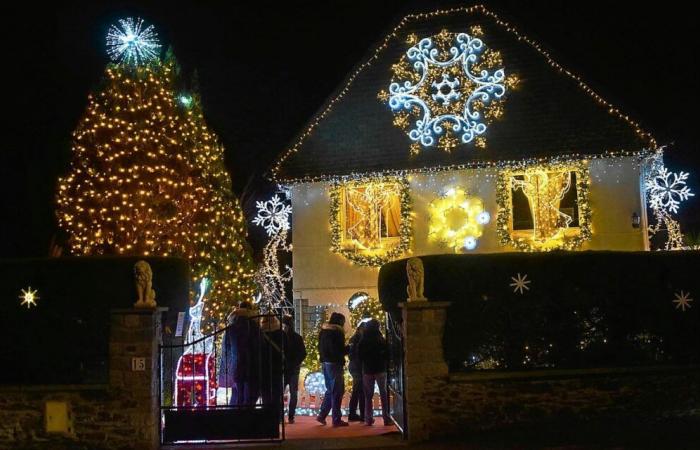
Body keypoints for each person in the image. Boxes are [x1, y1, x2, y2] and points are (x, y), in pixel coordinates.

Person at [218, 301, 259, 406]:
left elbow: (226, 349)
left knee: (238, 393)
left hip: (236, 364)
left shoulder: (231, 328)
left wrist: (227, 366)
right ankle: (247, 415)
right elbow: (259, 346)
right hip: (252, 364)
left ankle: (236, 414)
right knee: (249, 394)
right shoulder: (254, 326)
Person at [316, 312, 349, 427]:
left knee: (331, 390)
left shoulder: (324, 331)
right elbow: (338, 350)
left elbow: (319, 346)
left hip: (325, 363)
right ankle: (336, 419)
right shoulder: (337, 332)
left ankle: (322, 415)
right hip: (335, 363)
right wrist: (348, 348)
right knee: (337, 391)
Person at [358, 318, 391, 426]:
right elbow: (387, 352)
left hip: (367, 369)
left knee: (368, 395)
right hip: (380, 368)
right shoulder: (380, 338)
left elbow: (360, 355)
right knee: (383, 394)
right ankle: (386, 417)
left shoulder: (363, 339)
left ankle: (368, 418)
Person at [260, 314, 286, 419]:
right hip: (277, 366)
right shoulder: (281, 333)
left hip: (263, 366)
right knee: (277, 392)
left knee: (265, 392)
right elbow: (287, 349)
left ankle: (267, 415)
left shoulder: (260, 334)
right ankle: (278, 416)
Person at [282, 315, 306, 424]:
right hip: (293, 368)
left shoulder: (282, 337)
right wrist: (296, 362)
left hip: (284, 368)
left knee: (281, 392)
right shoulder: (297, 337)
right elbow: (303, 353)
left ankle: (280, 415)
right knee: (293, 393)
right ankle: (291, 416)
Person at [347, 321, 366, 422]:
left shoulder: (353, 338)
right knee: (360, 391)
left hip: (354, 367)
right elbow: (357, 355)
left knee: (357, 391)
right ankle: (360, 414)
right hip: (358, 367)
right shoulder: (360, 339)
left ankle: (354, 413)